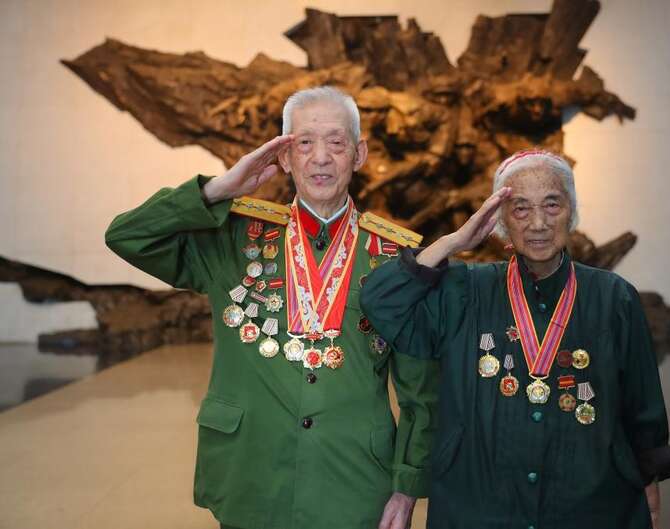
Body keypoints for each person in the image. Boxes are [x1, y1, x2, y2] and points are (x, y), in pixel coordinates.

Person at [105, 86, 439, 529]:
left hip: (354, 482)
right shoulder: (232, 239)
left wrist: (407, 486)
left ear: (359, 155)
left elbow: (420, 391)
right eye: (304, 143)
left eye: (336, 143)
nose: (321, 158)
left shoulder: (395, 258)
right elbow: (126, 236)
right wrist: (216, 190)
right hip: (251, 475)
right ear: (283, 156)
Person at [360, 150, 670, 529]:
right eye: (521, 209)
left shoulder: (614, 297)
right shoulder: (464, 290)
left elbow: (642, 404)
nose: (539, 223)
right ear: (500, 219)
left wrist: (649, 479)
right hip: (480, 506)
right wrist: (452, 242)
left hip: (590, 505)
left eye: (552, 205)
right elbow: (380, 302)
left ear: (572, 212)